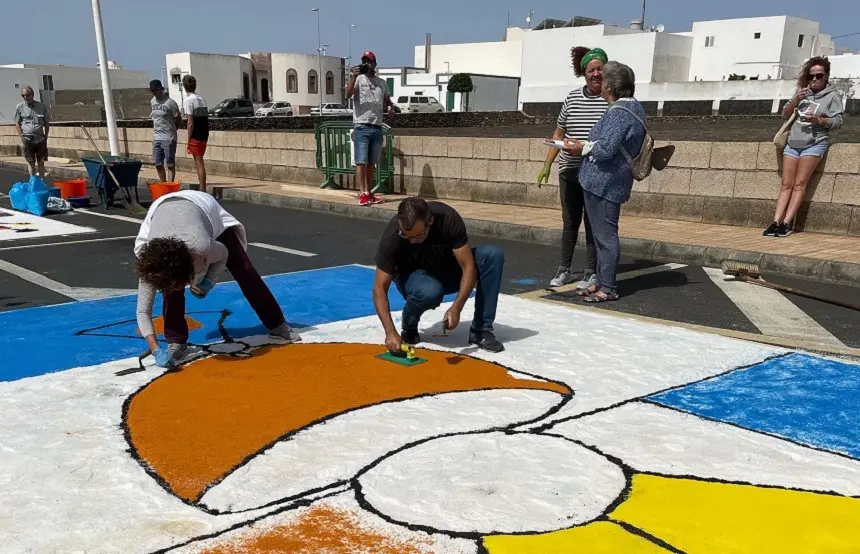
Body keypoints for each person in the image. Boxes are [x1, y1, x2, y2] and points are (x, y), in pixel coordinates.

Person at [135, 190, 300, 368]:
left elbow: (224, 254)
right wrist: (155, 349)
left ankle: (277, 326)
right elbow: (143, 311)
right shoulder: (148, 262)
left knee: (244, 269)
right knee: (170, 289)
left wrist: (208, 282)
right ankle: (176, 341)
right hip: (164, 211)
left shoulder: (200, 246)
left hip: (204, 209)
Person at [372, 198, 505, 354]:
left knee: (492, 255)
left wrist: (457, 308)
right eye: (406, 236)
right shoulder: (392, 236)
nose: (413, 241)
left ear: (431, 222)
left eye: (418, 236)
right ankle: (409, 324)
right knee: (430, 290)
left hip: (445, 270)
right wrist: (390, 331)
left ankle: (481, 330)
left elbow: (468, 266)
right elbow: (379, 288)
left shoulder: (448, 219)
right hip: (412, 278)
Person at [562, 61, 645, 303]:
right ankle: (601, 279)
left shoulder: (619, 112)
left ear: (610, 86)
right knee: (600, 235)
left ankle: (608, 287)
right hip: (607, 180)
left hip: (605, 182)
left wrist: (581, 147)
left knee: (606, 236)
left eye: (604, 79)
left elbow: (606, 149)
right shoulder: (633, 108)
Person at [538, 47, 608, 290]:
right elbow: (559, 132)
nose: (596, 74)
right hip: (569, 170)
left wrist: (586, 147)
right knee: (569, 223)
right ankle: (564, 269)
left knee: (591, 222)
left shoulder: (611, 101)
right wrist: (547, 164)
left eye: (600, 69)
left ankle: (591, 271)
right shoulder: (572, 98)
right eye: (591, 70)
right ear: (583, 72)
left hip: (596, 172)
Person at [764, 57, 843, 238]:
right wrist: (795, 100)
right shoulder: (802, 92)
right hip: (793, 143)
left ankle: (786, 223)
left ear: (826, 76)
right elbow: (785, 114)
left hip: (814, 144)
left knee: (799, 184)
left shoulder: (833, 96)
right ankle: (775, 222)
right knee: (786, 184)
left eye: (819, 75)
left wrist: (820, 120)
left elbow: (838, 121)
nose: (814, 79)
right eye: (811, 75)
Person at [345, 50, 396, 206]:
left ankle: (369, 191)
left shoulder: (382, 83)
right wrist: (353, 77)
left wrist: (390, 107)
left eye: (369, 61)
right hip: (361, 124)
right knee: (361, 161)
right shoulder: (359, 79)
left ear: (375, 64)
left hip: (377, 126)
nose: (366, 64)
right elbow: (347, 94)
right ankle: (363, 192)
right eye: (364, 61)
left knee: (372, 163)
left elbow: (387, 100)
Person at [149, 79, 182, 183]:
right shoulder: (152, 101)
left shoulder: (171, 103)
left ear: (161, 89)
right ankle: (163, 183)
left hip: (168, 137)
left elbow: (178, 118)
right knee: (157, 163)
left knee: (170, 164)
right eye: (152, 91)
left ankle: (170, 184)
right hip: (157, 136)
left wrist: (174, 129)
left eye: (156, 90)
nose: (154, 93)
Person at [14, 86, 50, 179]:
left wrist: (46, 135)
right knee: (31, 162)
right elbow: (17, 122)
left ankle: (41, 182)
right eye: (23, 95)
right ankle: (32, 182)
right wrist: (21, 136)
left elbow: (46, 123)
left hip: (40, 139)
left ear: (32, 95)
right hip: (27, 139)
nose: (25, 97)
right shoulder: (19, 107)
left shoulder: (42, 107)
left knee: (41, 162)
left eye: (27, 95)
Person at [182, 75, 210, 193]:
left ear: (184, 87)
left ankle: (202, 189)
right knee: (200, 161)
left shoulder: (188, 101)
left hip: (196, 134)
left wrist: (188, 139)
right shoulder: (201, 99)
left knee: (198, 162)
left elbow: (190, 123)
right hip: (204, 132)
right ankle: (202, 187)